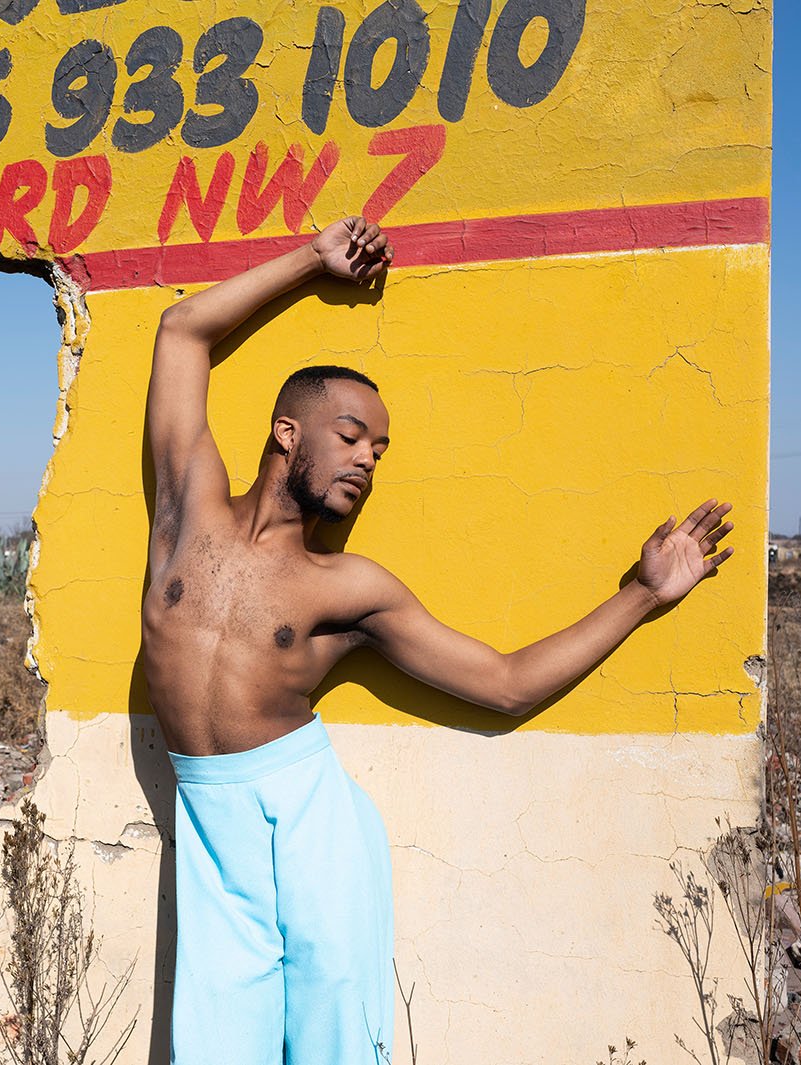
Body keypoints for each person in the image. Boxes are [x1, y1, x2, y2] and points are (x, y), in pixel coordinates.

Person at [140, 215, 735, 1064]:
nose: (367, 461)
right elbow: (181, 329)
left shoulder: (347, 588)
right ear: (287, 433)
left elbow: (504, 681)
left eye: (379, 451)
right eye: (351, 436)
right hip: (208, 818)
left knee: (337, 1040)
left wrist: (641, 594)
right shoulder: (187, 505)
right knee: (213, 1046)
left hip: (308, 817)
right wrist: (315, 261)